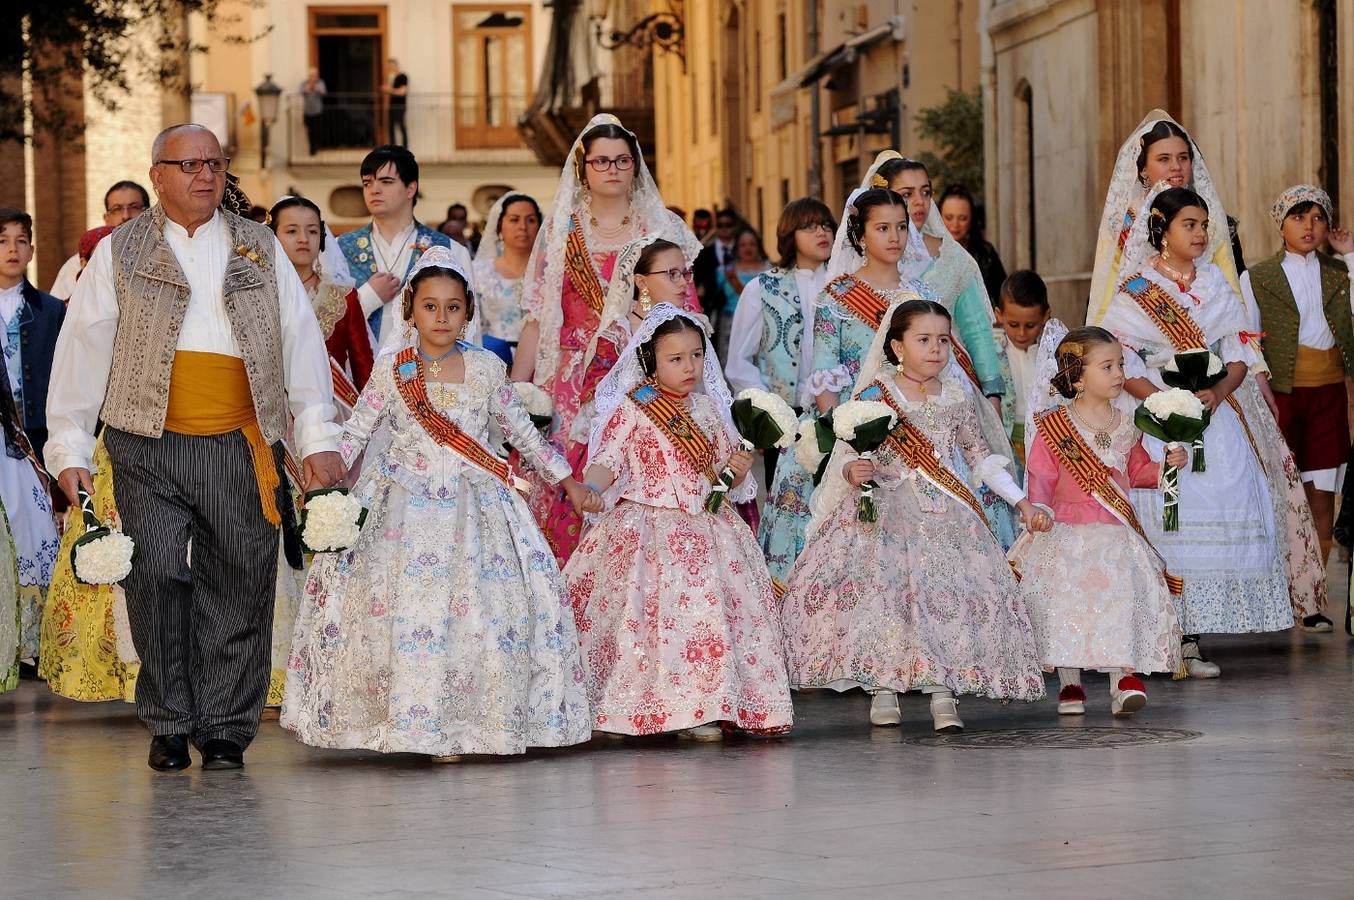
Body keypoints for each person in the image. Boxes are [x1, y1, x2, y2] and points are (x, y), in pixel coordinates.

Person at [45, 123, 345, 771]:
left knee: (240, 578)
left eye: (214, 163)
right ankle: (170, 720)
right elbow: (83, 350)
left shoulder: (259, 247)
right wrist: (68, 447)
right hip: (144, 441)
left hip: (241, 442)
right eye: (188, 164)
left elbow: (300, 344)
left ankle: (228, 729)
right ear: (157, 174)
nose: (204, 174)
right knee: (158, 575)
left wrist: (317, 435)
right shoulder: (119, 252)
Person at [283, 248, 595, 759]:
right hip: (401, 507)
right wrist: (321, 480)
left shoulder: (487, 369)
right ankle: (412, 722)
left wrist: (569, 482)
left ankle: (470, 723)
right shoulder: (392, 371)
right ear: (410, 310)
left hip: (479, 510)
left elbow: (523, 435)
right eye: (430, 306)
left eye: (453, 307)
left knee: (480, 614)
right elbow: (358, 431)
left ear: (468, 312)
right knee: (404, 615)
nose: (442, 317)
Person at [781, 299, 1047, 733]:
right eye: (924, 340)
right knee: (885, 601)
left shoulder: (957, 396)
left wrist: (1020, 501)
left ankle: (944, 692)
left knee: (943, 602)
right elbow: (847, 455)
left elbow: (980, 458)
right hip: (885, 512)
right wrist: (854, 469)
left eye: (943, 340)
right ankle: (883, 690)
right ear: (897, 346)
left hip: (946, 516)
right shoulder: (875, 394)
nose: (936, 349)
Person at [1100, 185, 1314, 678]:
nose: (1199, 234)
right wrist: (1157, 399)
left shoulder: (1216, 281)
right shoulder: (1136, 288)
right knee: (1168, 521)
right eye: (1188, 225)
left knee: (1214, 511)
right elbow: (1121, 356)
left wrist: (1218, 393)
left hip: (1213, 418)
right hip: (1159, 420)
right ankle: (1165, 635)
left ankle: (1193, 637)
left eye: (1202, 225)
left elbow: (1240, 349)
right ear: (1162, 232)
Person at [564, 304, 794, 740]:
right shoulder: (633, 409)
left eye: (697, 355)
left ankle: (706, 705)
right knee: (649, 621)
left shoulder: (709, 410)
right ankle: (651, 705)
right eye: (676, 358)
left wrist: (740, 465)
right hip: (647, 526)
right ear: (650, 361)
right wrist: (591, 489)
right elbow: (608, 460)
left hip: (709, 528)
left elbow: (726, 473)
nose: (689, 366)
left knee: (707, 617)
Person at [511, 113, 700, 564]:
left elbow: (686, 311)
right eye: (601, 162)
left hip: (650, 373)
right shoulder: (562, 231)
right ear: (584, 169)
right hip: (573, 383)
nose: (612, 169)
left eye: (622, 160)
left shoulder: (661, 228)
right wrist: (518, 389)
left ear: (635, 166)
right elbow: (538, 318)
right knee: (567, 486)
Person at [1011, 323, 1185, 717]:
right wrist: (1038, 511)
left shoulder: (1127, 424)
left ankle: (1122, 678)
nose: (1119, 374)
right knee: (1067, 607)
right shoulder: (1053, 426)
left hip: (1115, 534)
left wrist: (1167, 468)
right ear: (1077, 376)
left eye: (1120, 364)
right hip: (1066, 531)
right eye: (1107, 366)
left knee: (1118, 602)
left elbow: (1137, 472)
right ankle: (1070, 683)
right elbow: (1042, 477)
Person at [1240, 185, 1354, 632]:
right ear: (1280, 224)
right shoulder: (1259, 276)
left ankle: (1312, 599)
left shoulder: (1339, 272)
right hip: (1281, 394)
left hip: (1328, 393)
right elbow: (1248, 335)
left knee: (1322, 491)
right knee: (1282, 491)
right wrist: (1260, 382)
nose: (1309, 226)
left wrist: (1350, 256)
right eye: (1298, 217)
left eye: (1318, 218)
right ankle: (1280, 593)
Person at [876, 155, 1005, 406]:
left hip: (949, 393)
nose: (919, 202)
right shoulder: (868, 260)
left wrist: (992, 394)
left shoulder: (951, 257)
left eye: (925, 192)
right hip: (884, 398)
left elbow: (976, 330)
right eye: (906, 194)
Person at [725, 198, 836, 486]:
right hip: (785, 417)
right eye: (809, 226)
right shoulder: (762, 287)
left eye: (826, 225)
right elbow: (739, 360)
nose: (821, 232)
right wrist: (767, 410)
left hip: (838, 412)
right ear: (790, 234)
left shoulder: (843, 286)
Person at [0, 208, 62, 672]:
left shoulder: (50, 311)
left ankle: (33, 645)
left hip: (34, 438)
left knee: (36, 534)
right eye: (3, 241)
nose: (13, 250)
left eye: (22, 241)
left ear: (33, 250)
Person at [338, 145, 470, 347]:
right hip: (357, 374)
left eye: (386, 182)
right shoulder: (340, 248)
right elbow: (324, 325)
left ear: (411, 188)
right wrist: (367, 298)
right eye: (367, 183)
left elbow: (468, 328)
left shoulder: (450, 251)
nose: (374, 190)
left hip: (429, 373)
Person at [269, 195, 374, 392]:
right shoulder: (259, 296)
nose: (303, 239)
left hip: (331, 412)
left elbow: (364, 369)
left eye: (312, 231)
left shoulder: (343, 297)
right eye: (292, 231)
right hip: (271, 413)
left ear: (322, 238)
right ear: (272, 237)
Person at [49, 181, 150, 300]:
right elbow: (59, 313)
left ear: (148, 214)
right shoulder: (79, 264)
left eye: (134, 207)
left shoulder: (165, 255)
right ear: (107, 218)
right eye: (117, 209)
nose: (125, 215)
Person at [472, 193, 541, 365]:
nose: (523, 227)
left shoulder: (551, 272)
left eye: (530, 220)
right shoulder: (478, 272)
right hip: (491, 362)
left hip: (542, 363)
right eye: (514, 219)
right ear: (499, 227)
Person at [993, 270, 1050, 465]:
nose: (1022, 333)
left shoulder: (1053, 353)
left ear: (1046, 317)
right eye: (1014, 324)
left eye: (1031, 325)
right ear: (999, 315)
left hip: (1045, 442)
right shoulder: (991, 352)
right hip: (1006, 441)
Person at [939, 183, 1007, 307]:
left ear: (971, 220)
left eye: (963, 218)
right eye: (949, 217)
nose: (955, 224)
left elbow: (1003, 297)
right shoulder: (926, 252)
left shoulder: (986, 253)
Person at [712, 226, 770, 362]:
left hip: (761, 324)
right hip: (731, 324)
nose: (747, 248)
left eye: (752, 244)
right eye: (743, 245)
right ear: (736, 248)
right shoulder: (724, 271)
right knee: (731, 362)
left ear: (759, 247)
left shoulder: (769, 270)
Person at [693, 208, 741, 316]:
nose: (724, 229)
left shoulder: (742, 251)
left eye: (728, 225)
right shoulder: (703, 253)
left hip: (739, 307)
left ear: (735, 226)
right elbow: (697, 281)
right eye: (720, 225)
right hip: (712, 310)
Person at [300, 67, 327, 156]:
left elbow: (323, 92)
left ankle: (316, 147)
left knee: (317, 130)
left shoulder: (320, 83)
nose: (313, 77)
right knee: (310, 131)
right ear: (309, 76)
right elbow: (301, 91)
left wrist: (316, 87)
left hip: (317, 111)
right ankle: (312, 149)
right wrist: (307, 88)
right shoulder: (304, 83)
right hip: (307, 112)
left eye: (315, 75)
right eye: (312, 75)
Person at [384, 58, 409, 146]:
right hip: (392, 107)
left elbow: (403, 92)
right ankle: (393, 148)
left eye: (391, 66)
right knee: (391, 128)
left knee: (401, 127)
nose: (390, 68)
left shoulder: (403, 77)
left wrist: (389, 90)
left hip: (399, 107)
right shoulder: (394, 78)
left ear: (395, 65)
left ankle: (405, 148)